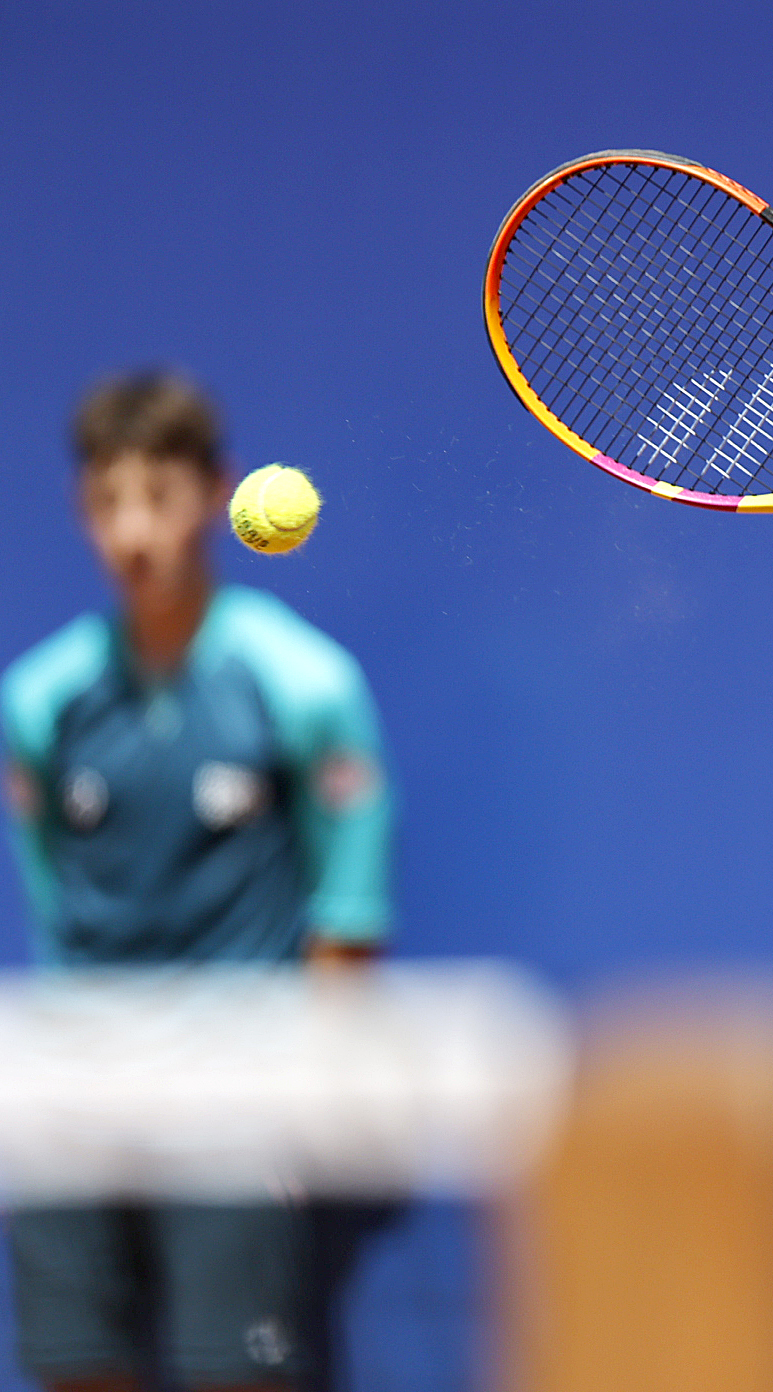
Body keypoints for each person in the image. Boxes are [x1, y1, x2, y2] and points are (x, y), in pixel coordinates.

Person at [1, 372, 392, 1392]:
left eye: (158, 499)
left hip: (238, 1085)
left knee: (235, 1378)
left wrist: (312, 1078)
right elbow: (54, 897)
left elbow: (347, 913)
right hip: (74, 1088)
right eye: (106, 503)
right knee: (77, 1369)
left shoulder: (303, 685)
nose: (132, 534)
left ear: (215, 496)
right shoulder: (39, 702)